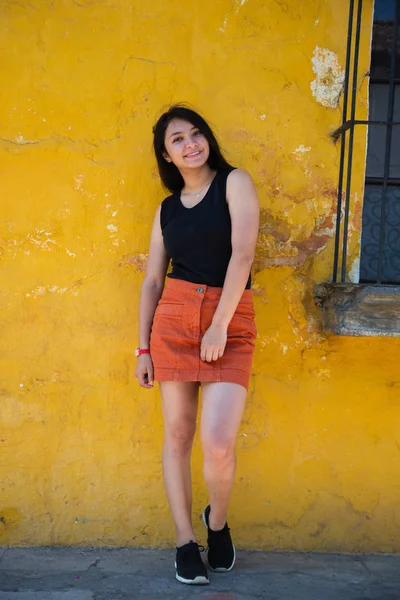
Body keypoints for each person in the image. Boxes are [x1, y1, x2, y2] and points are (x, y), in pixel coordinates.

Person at [134, 104, 260, 586]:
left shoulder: (234, 183)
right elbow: (151, 281)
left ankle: (218, 524)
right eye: (177, 140)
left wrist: (220, 324)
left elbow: (243, 254)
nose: (190, 144)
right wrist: (142, 348)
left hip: (230, 318)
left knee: (218, 442)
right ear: (167, 156)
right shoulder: (166, 210)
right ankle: (186, 541)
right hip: (173, 319)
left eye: (196, 134)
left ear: (208, 137)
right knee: (178, 436)